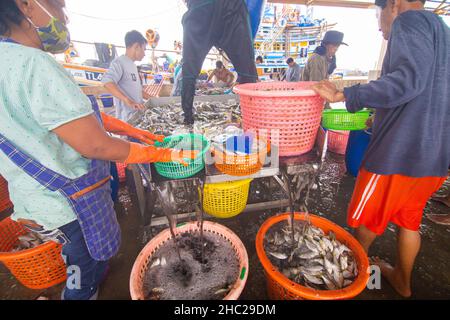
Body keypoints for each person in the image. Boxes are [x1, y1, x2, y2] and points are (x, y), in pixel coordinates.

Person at [0, 0, 197, 300]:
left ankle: (95, 267)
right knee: (82, 269)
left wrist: (132, 130)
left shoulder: (7, 60)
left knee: (87, 254)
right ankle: (83, 289)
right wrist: (160, 154)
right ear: (27, 5)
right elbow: (95, 144)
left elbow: (72, 117)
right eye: (60, 6)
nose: (64, 18)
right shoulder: (33, 63)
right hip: (66, 203)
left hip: (35, 198)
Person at [312, 0, 449, 298]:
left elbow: (407, 81)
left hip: (398, 156)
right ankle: (402, 280)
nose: (379, 25)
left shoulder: (408, 21)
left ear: (395, 5)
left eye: (379, 14)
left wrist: (347, 93)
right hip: (434, 156)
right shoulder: (441, 28)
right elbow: (425, 87)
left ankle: (342, 283)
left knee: (365, 221)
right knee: (409, 221)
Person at [181, 0, 259, 125]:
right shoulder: (216, 72)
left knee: (189, 72)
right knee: (247, 71)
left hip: (200, 8)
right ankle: (253, 119)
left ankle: (187, 119)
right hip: (231, 8)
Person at [102, 30, 149, 122]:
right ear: (136, 46)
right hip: (126, 119)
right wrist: (128, 101)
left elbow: (136, 90)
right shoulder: (119, 62)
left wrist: (153, 99)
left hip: (137, 115)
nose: (144, 53)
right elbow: (107, 82)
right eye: (143, 49)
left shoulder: (133, 65)